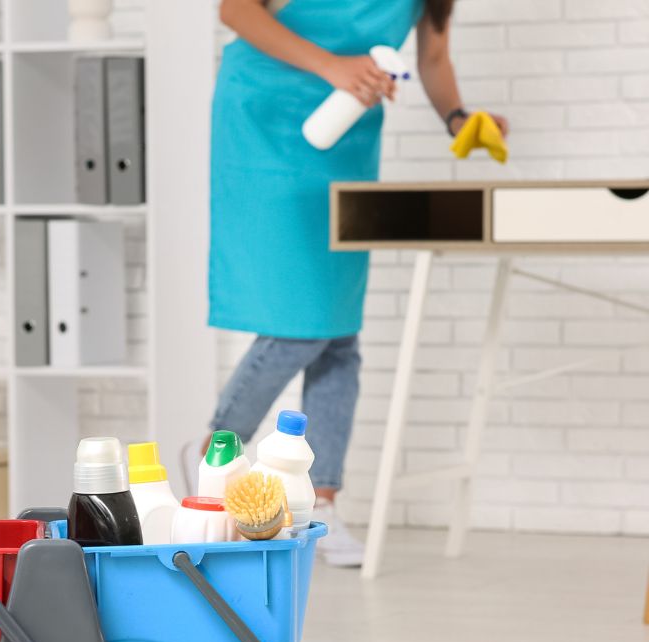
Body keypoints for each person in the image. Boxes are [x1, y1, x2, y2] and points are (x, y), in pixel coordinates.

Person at [192, 0, 508, 566]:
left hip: (346, 135)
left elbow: (433, 57)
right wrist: (334, 66)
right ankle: (216, 450)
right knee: (297, 327)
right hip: (266, 123)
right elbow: (236, 11)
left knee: (339, 334)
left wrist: (460, 118)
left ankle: (320, 503)